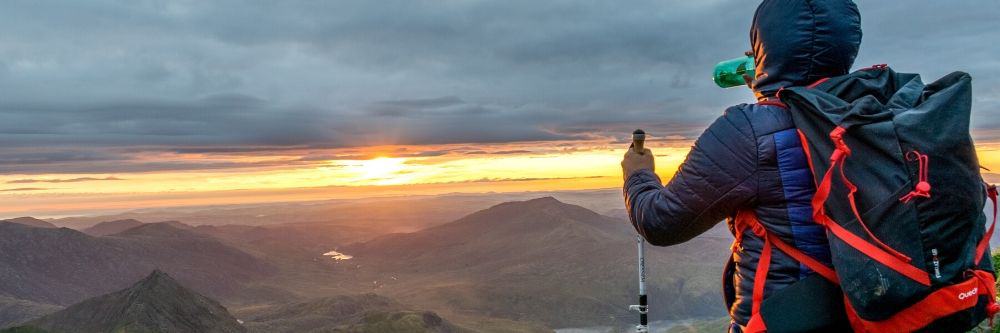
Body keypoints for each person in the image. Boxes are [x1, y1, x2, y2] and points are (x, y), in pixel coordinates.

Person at [621, 0, 862, 331]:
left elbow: (660, 221)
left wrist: (639, 174)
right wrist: (770, 91)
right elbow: (797, 121)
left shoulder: (748, 131)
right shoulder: (873, 116)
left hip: (783, 319)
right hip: (866, 314)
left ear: (765, 42)